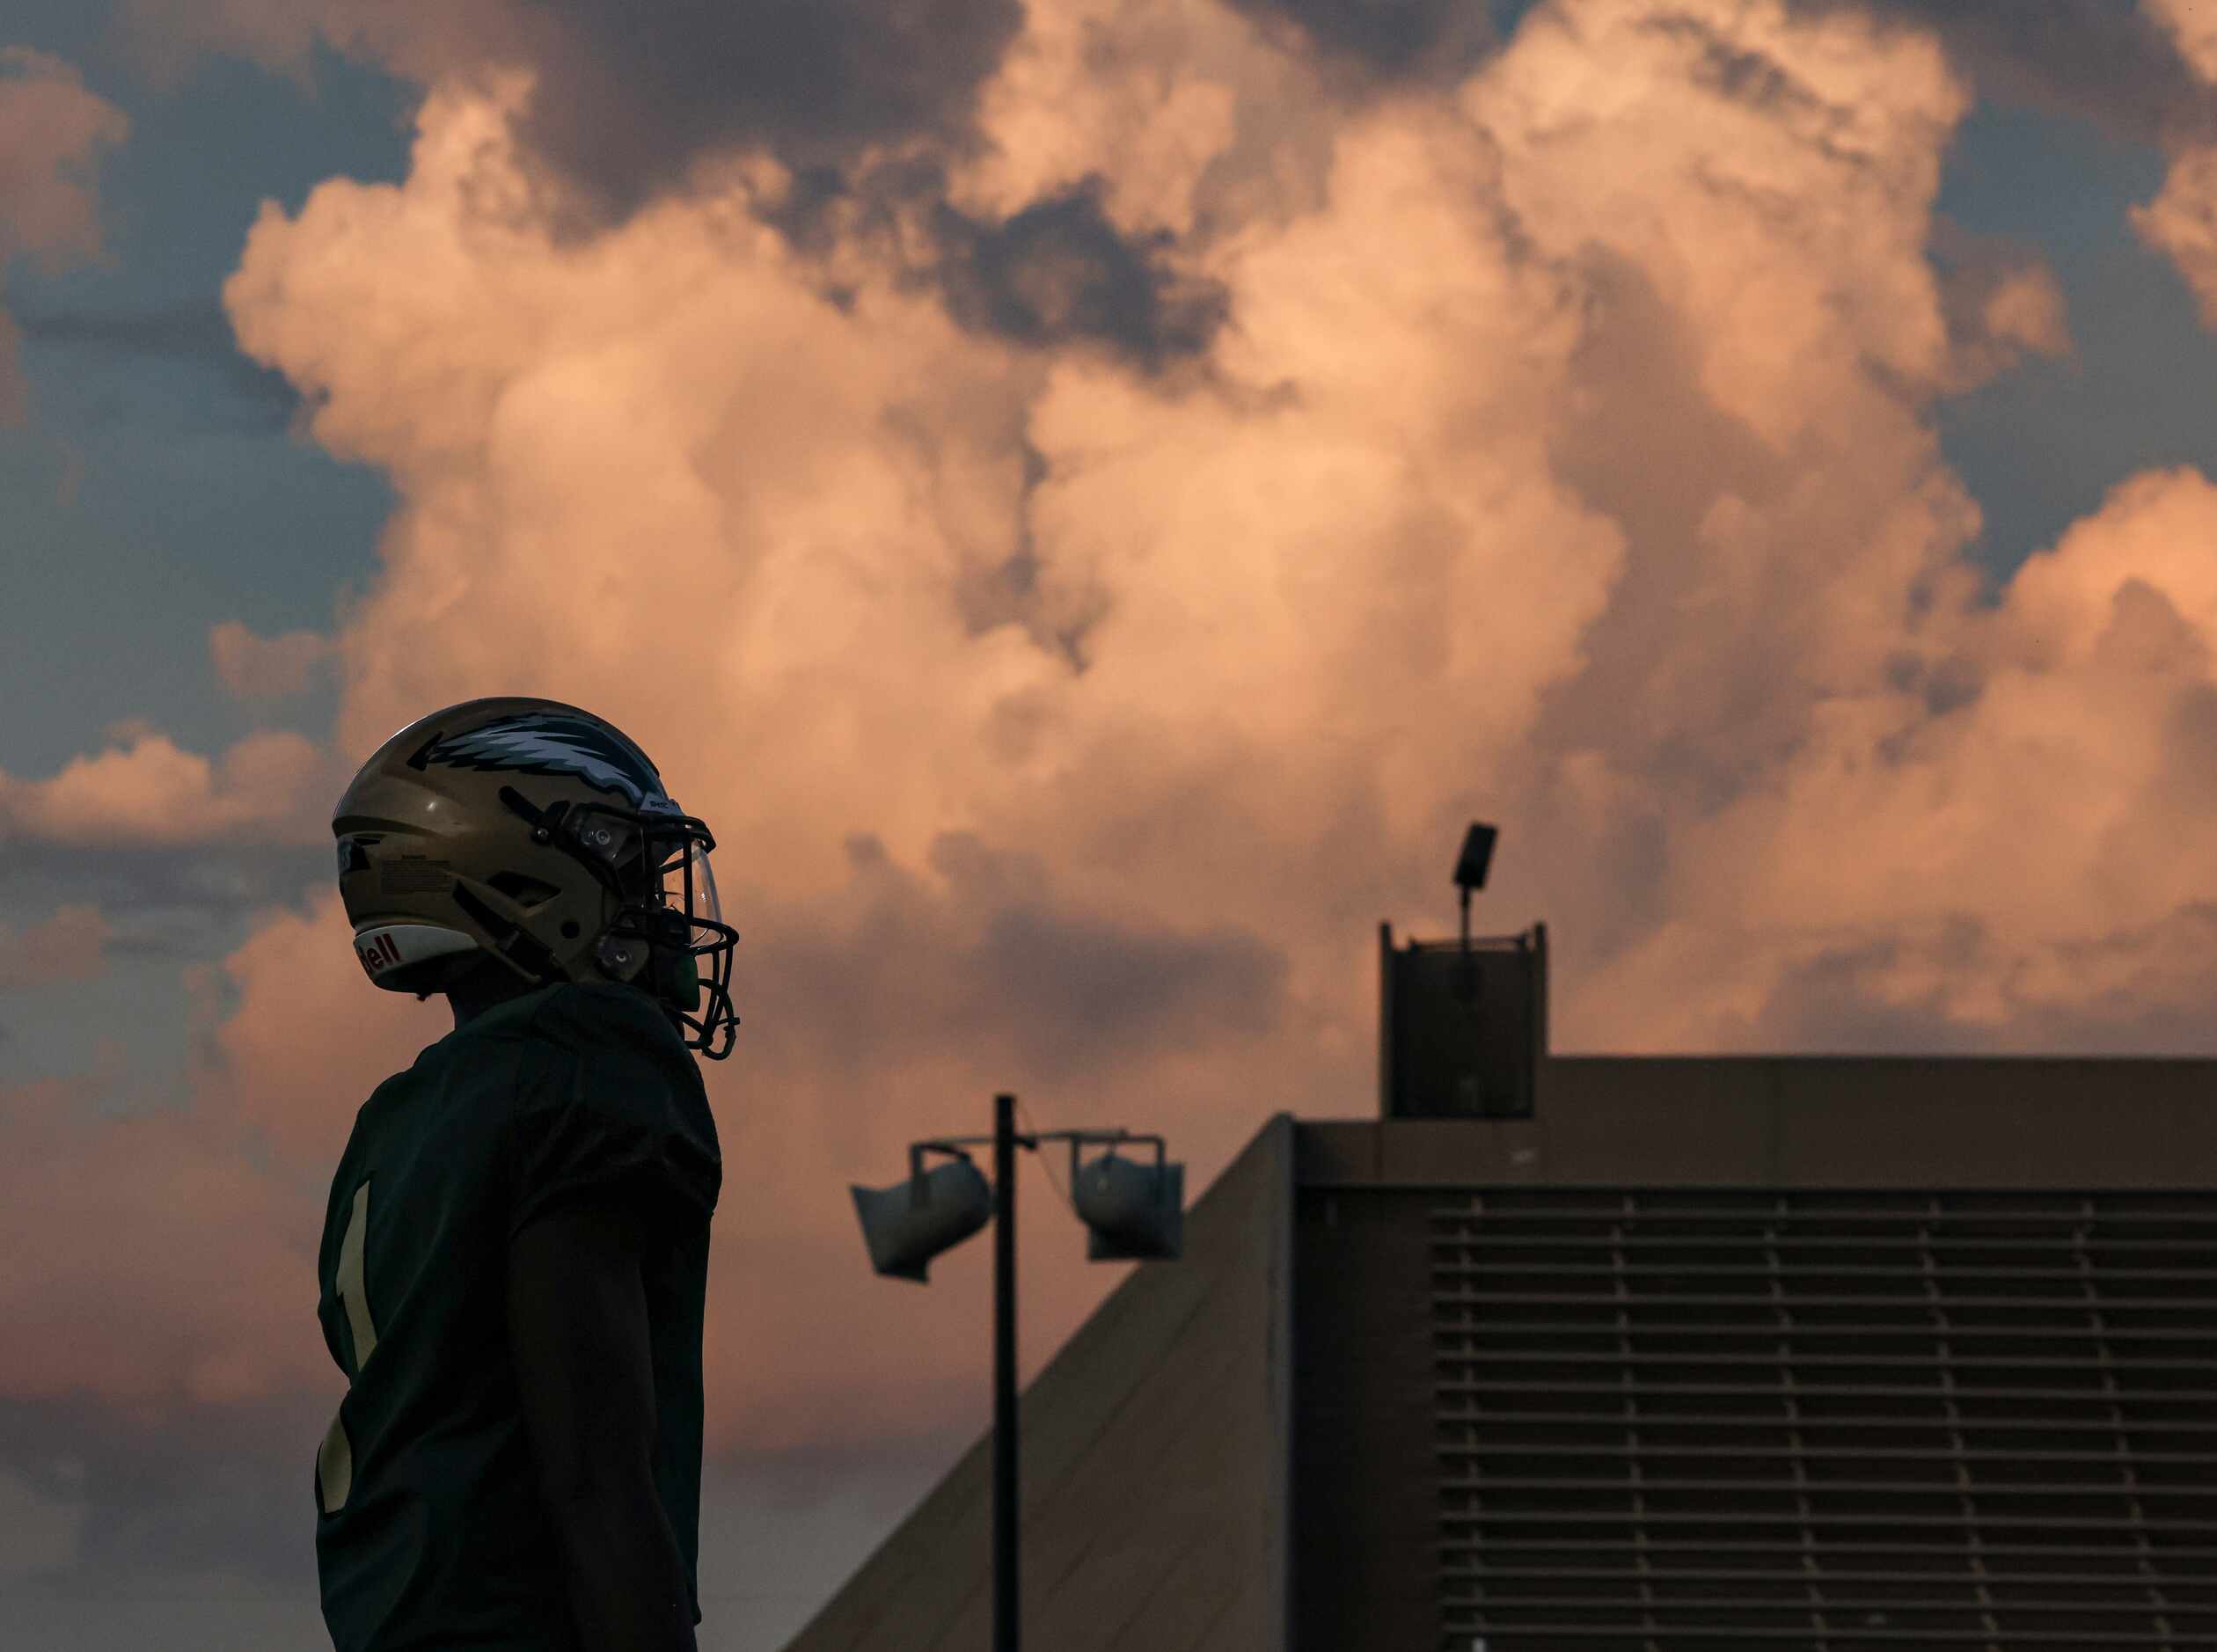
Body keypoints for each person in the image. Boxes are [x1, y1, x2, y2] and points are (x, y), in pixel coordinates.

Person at [312, 697, 741, 1651]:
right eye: (627, 865)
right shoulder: (581, 1068)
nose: (658, 908)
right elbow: (594, 1473)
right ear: (520, 869)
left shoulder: (410, 1116)